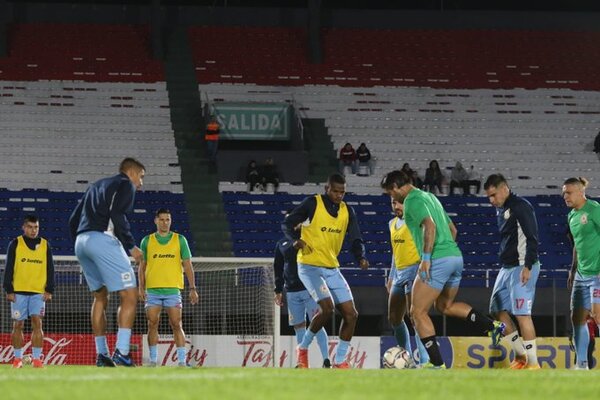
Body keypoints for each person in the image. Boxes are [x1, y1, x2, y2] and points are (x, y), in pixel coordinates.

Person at [381, 170, 505, 369]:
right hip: (455, 257)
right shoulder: (430, 197)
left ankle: (436, 364)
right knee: (445, 306)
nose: (391, 197)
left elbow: (429, 227)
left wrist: (428, 259)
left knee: (417, 312)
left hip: (437, 259)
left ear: (396, 187)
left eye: (390, 193)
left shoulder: (412, 200)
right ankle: (491, 326)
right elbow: (453, 229)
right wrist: (446, 254)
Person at [282, 173, 369, 368]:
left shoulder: (348, 211)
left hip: (331, 267)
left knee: (351, 314)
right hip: (309, 266)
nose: (339, 195)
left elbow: (356, 238)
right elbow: (287, 223)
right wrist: (295, 239)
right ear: (326, 189)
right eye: (335, 191)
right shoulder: (312, 203)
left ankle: (339, 360)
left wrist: (361, 257)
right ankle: (302, 348)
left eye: (342, 192)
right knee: (327, 309)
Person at [69, 157, 145, 367]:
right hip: (102, 239)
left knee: (100, 296)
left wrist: (80, 243)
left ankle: (102, 355)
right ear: (131, 172)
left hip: (81, 241)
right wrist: (131, 246)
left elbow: (73, 219)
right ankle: (121, 352)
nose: (141, 183)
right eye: (141, 177)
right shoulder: (125, 184)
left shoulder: (95, 186)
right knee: (129, 294)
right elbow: (117, 214)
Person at [483, 174, 541, 369]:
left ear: (504, 189)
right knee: (496, 310)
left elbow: (533, 237)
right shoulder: (502, 209)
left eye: (493, 195)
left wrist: (528, 266)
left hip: (522, 266)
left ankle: (533, 364)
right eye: (488, 197)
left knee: (522, 314)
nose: (491, 200)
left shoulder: (520, 206)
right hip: (506, 268)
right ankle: (521, 356)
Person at [138, 208, 198, 367]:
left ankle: (182, 362)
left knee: (177, 324)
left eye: (168, 220)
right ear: (156, 221)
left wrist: (192, 288)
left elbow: (188, 265)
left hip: (173, 290)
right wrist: (140, 288)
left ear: (171, 221)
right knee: (152, 324)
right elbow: (141, 267)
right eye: (162, 219)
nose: (165, 223)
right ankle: (152, 361)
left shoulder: (180, 240)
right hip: (152, 291)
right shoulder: (147, 241)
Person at [3, 215, 54, 369]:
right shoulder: (15, 243)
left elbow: (50, 269)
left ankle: (37, 360)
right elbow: (8, 267)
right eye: (30, 227)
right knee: (18, 325)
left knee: (37, 324)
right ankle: (17, 359)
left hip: (38, 292)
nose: (33, 230)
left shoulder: (45, 245)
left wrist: (49, 289)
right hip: (18, 292)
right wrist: (8, 289)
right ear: (24, 227)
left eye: (36, 227)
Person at [273, 235, 331, 368]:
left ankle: (327, 360)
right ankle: (302, 362)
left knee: (317, 323)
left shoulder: (309, 238)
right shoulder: (281, 243)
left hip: (309, 289)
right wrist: (278, 290)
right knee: (299, 327)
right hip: (292, 292)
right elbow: (278, 267)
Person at [386, 197, 430, 367]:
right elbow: (394, 253)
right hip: (399, 274)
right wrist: (391, 276)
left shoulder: (415, 222)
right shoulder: (391, 224)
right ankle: (407, 358)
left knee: (415, 316)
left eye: (399, 203)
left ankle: (425, 361)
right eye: (393, 203)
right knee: (394, 317)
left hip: (415, 271)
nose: (396, 206)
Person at [562, 176, 600, 370]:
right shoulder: (571, 216)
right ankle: (582, 364)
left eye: (568, 192)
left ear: (579, 192)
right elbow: (577, 244)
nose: (565, 196)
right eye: (563, 193)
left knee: (598, 317)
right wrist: (573, 268)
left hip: (597, 274)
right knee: (577, 318)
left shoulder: (594, 209)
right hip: (581, 276)